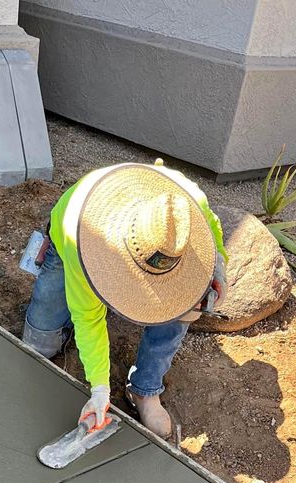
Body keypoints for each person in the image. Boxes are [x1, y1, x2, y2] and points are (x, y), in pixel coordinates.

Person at [23, 159, 228, 438]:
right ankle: (59, 329)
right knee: (37, 347)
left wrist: (217, 268)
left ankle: (145, 389)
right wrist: (99, 389)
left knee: (186, 303)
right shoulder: (84, 238)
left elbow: (212, 228)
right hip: (66, 237)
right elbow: (88, 317)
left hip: (152, 253)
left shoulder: (184, 208)